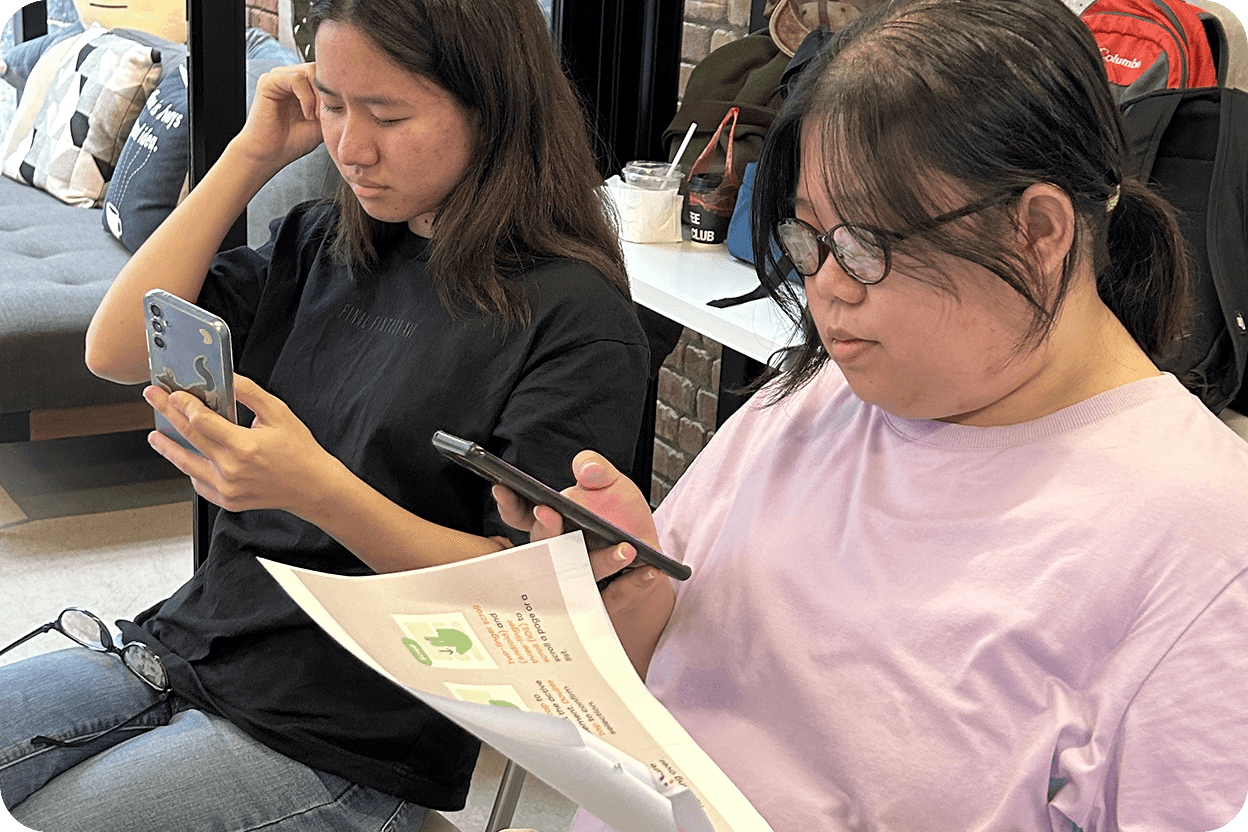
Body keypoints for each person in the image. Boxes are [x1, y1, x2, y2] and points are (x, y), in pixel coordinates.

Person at [498, 1, 1248, 830]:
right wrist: (632, 590)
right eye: (807, 239)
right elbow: (669, 686)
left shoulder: (1204, 546)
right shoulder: (822, 396)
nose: (825, 287)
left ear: (1037, 231)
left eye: (864, 246)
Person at [0, 0, 649, 829]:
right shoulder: (325, 241)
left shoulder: (575, 318)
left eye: (388, 115)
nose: (351, 147)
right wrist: (249, 154)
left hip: (347, 737)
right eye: (334, 105)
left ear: (494, 107)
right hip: (187, 648)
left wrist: (315, 490)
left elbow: (526, 602)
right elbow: (117, 349)